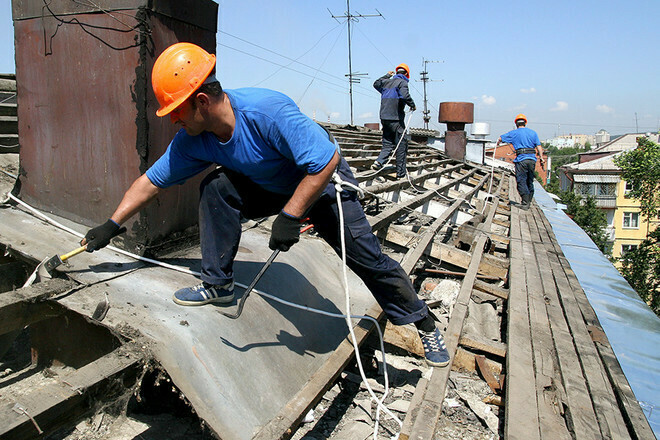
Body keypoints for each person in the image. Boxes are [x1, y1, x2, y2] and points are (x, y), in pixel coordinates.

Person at [80, 43, 450, 367]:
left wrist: (290, 216)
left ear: (203, 102)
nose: (174, 121)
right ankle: (218, 284)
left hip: (322, 185)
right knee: (217, 186)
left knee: (366, 259)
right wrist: (112, 225)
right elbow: (150, 182)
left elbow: (324, 163)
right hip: (272, 187)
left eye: (177, 111)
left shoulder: (266, 111)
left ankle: (423, 322)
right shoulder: (194, 140)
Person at [371, 63, 416, 179]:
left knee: (387, 142)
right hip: (395, 118)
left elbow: (376, 84)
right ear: (406, 74)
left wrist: (386, 75)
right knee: (401, 144)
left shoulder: (387, 82)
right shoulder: (402, 82)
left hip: (384, 118)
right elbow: (405, 96)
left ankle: (379, 162)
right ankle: (401, 174)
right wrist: (412, 105)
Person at [496, 114, 545, 210]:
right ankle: (529, 201)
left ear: (516, 123)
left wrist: (498, 142)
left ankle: (525, 203)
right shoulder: (533, 133)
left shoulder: (514, 133)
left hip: (521, 160)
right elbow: (539, 147)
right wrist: (541, 158)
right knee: (529, 180)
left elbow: (501, 138)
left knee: (521, 180)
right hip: (532, 160)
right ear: (525, 123)